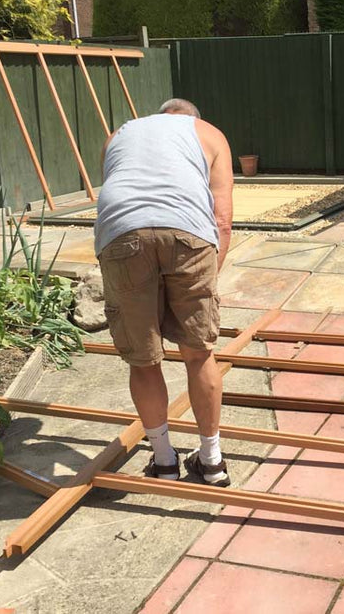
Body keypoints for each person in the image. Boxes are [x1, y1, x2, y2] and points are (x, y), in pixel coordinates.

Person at [94, 98, 234, 485]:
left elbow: (122, 193)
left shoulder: (118, 135)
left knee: (143, 358)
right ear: (192, 118)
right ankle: (211, 462)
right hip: (188, 231)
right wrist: (206, 277)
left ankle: (164, 461)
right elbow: (221, 219)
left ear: (160, 114)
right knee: (199, 353)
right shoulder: (208, 134)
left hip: (122, 232)